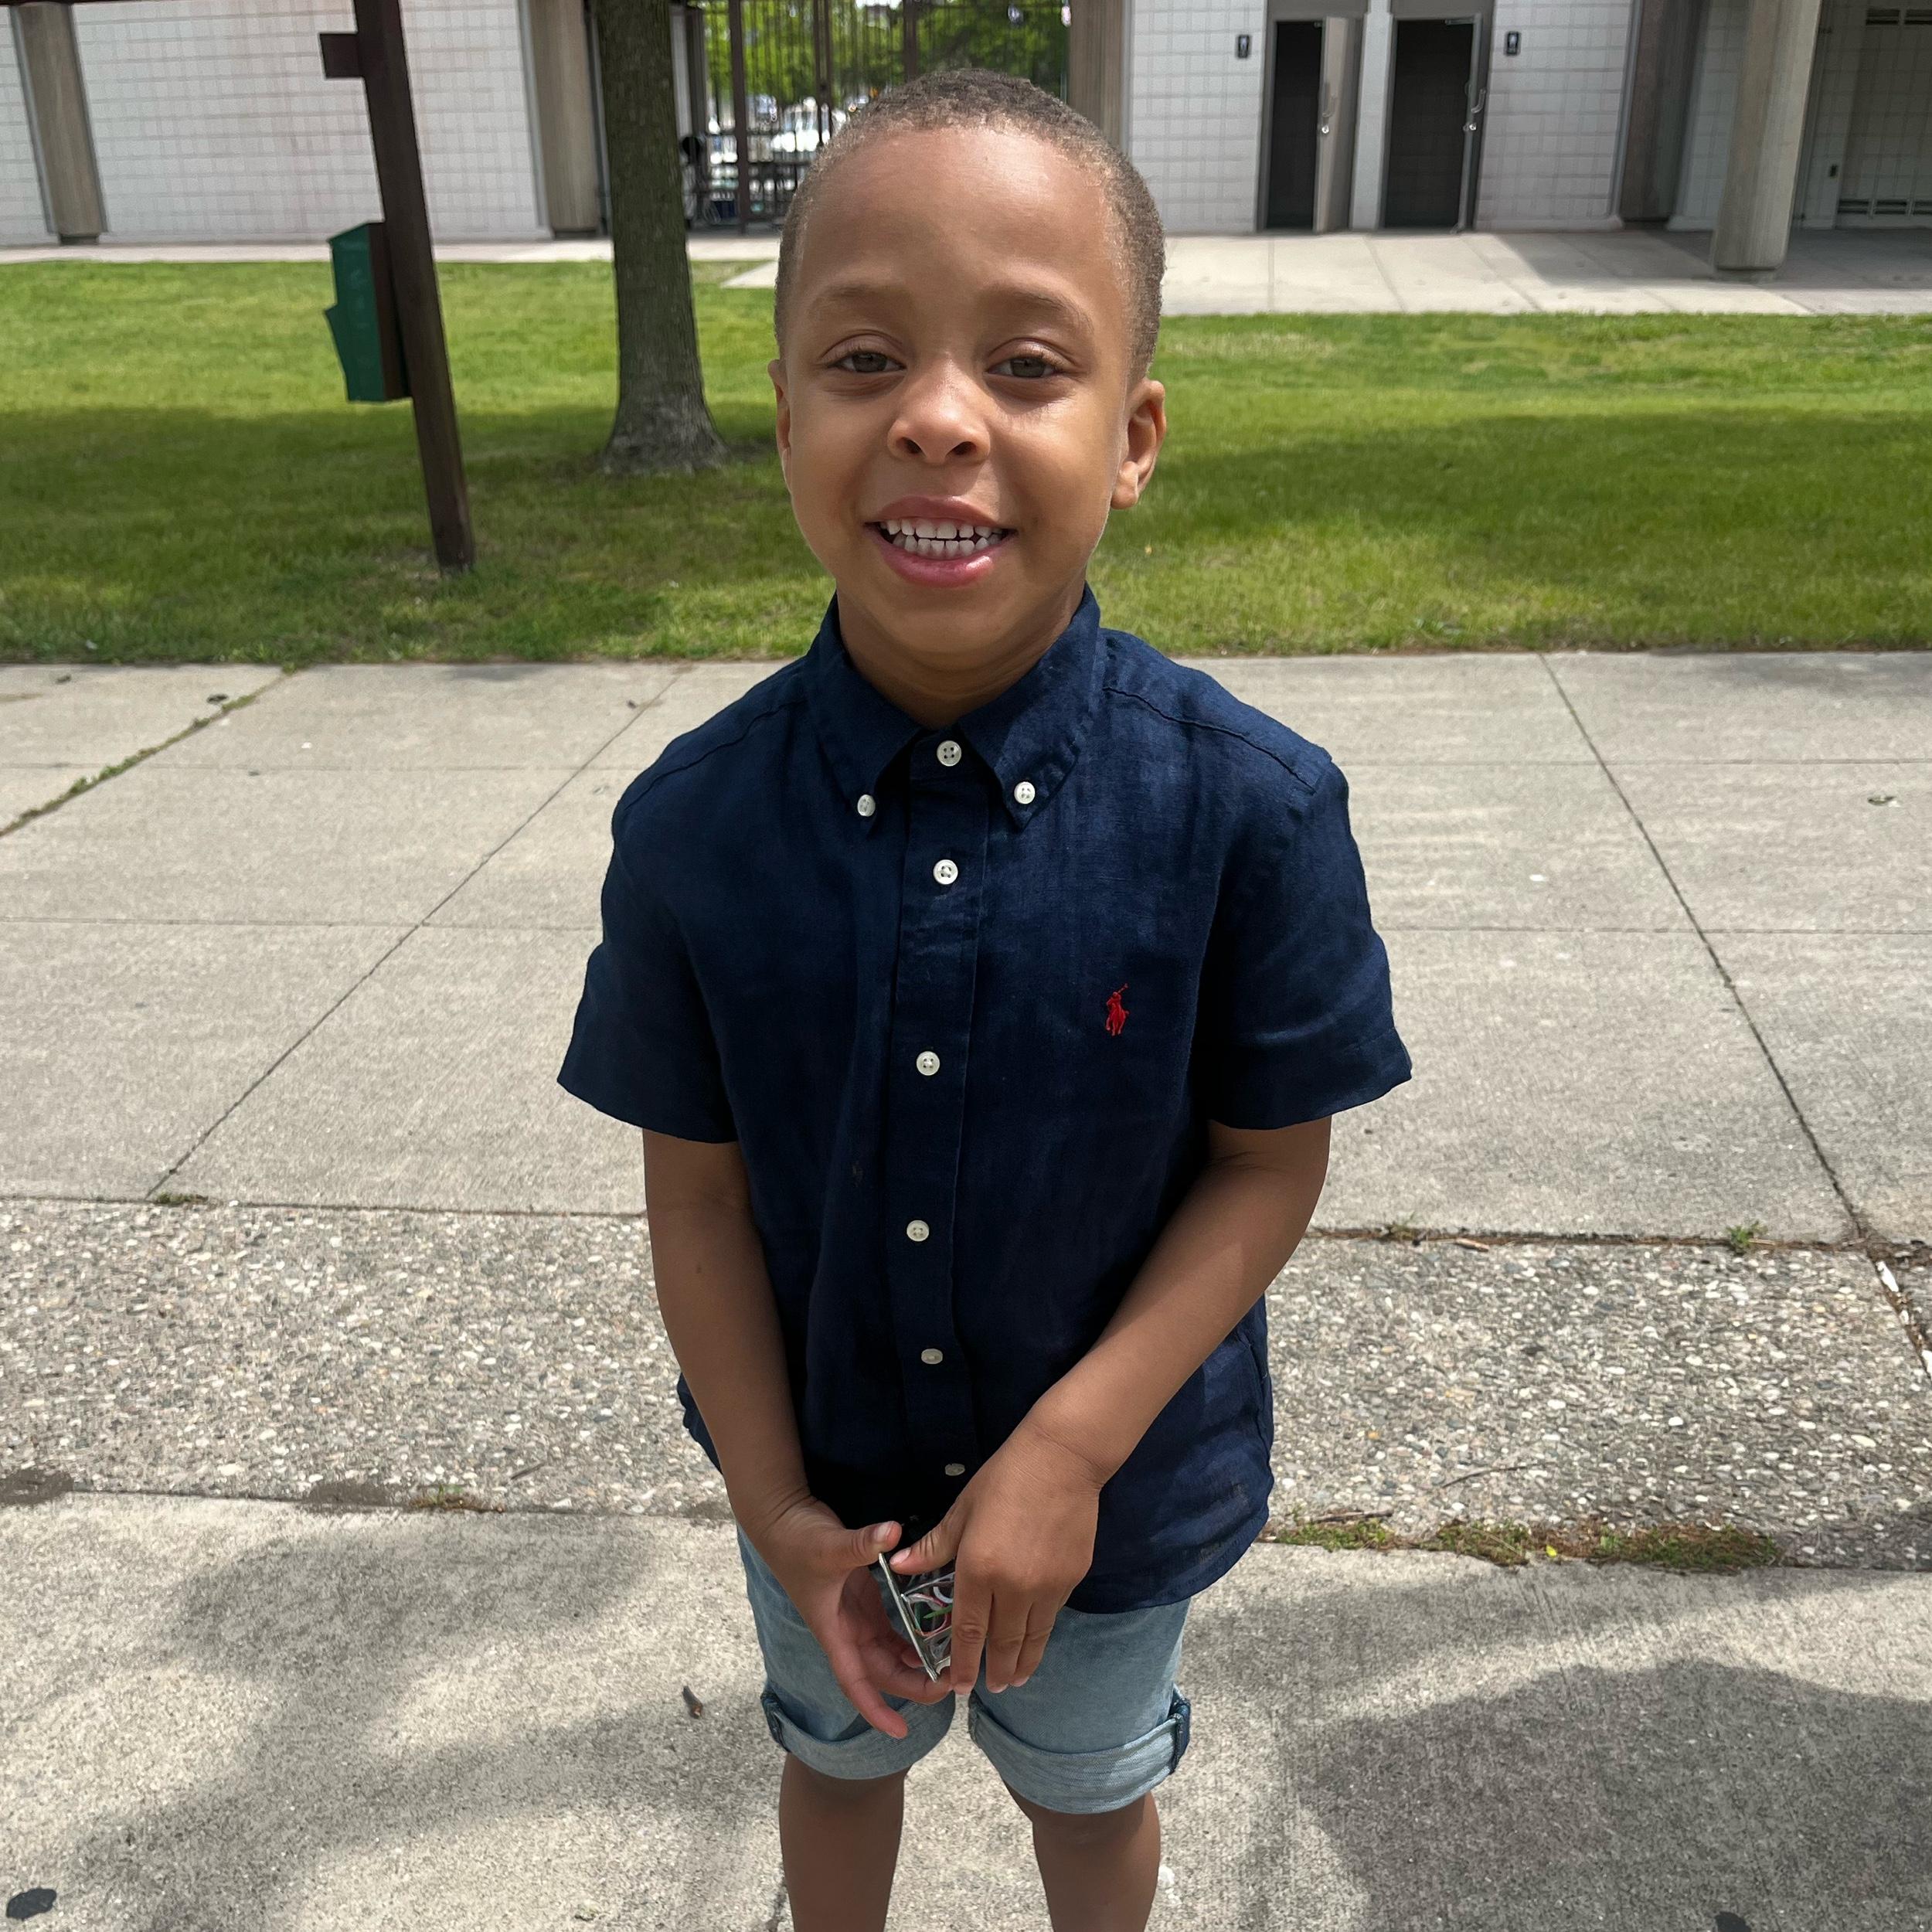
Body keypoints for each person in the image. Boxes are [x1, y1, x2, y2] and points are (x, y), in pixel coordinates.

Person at [558, 67, 1410, 1932]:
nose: (936, 416)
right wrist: (776, 1507)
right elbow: (695, 1194)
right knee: (834, 1760)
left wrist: (1068, 1447)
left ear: (1132, 434)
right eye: (862, 359)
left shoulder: (1249, 809)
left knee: (1089, 1793)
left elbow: (1268, 1161)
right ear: (784, 414)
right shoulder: (693, 826)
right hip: (820, 1489)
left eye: (1025, 366)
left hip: (1115, 1502)